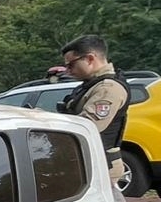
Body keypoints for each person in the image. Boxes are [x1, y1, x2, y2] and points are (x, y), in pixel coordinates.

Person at [56, 34, 131, 186]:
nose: (68, 71)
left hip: (99, 166)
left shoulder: (108, 88)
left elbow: (86, 127)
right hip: (88, 163)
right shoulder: (92, 85)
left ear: (90, 59)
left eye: (71, 65)